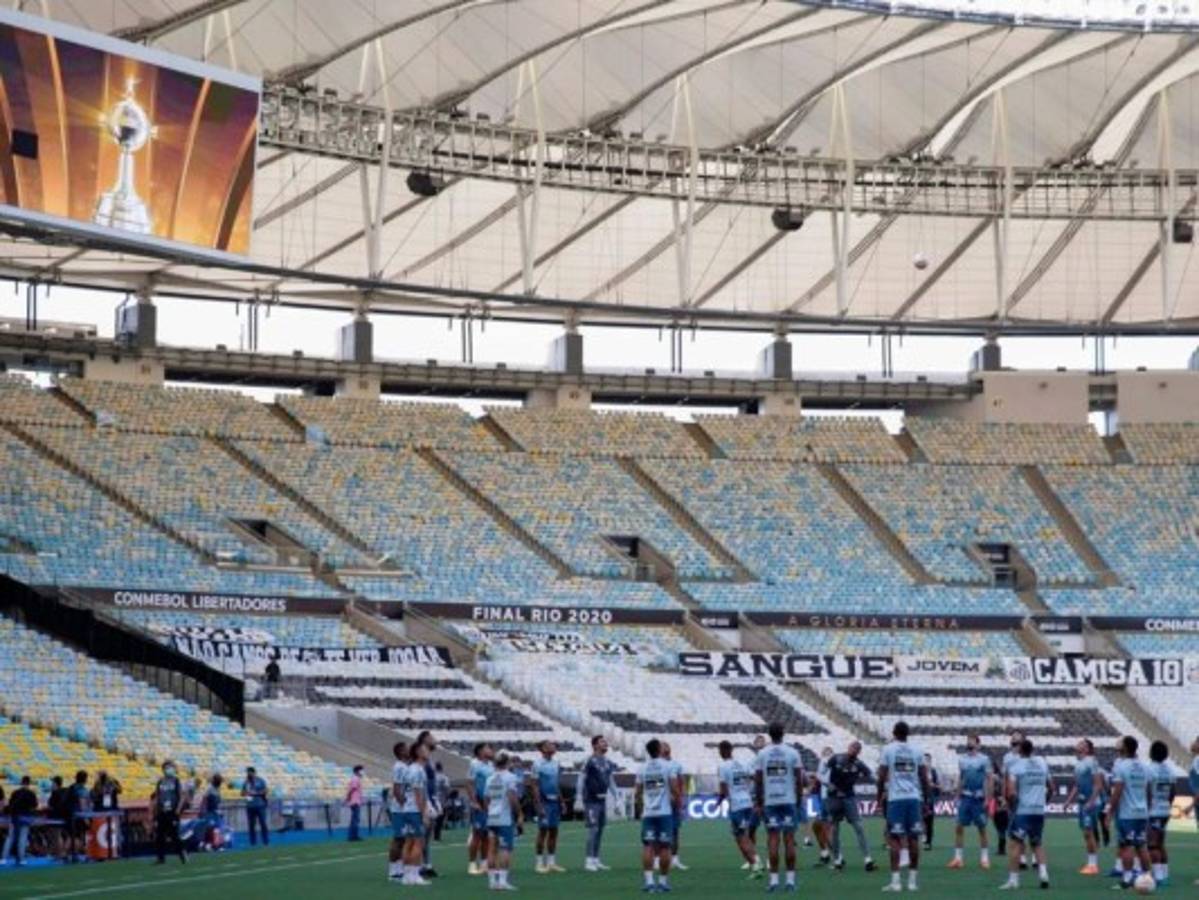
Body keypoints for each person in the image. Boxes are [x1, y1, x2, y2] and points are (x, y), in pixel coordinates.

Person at [878, 720, 928, 893]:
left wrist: (879, 798)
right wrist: (927, 801)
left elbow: (881, 776)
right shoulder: (917, 750)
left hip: (896, 800)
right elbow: (924, 778)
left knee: (894, 840)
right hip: (914, 799)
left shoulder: (888, 749)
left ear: (893, 733)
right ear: (908, 734)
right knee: (914, 839)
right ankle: (912, 882)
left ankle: (896, 882)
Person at [754, 721, 803, 893]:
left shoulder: (762, 754)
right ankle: (790, 881)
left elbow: (758, 781)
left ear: (769, 734)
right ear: (783, 733)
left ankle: (774, 881)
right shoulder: (792, 752)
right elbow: (799, 779)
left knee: (773, 840)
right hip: (788, 801)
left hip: (770, 802)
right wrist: (799, 800)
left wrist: (758, 802)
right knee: (789, 840)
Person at [999, 737, 1051, 890]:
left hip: (1023, 811)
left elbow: (1012, 792)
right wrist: (1044, 802)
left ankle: (1013, 880)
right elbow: (1052, 788)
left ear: (1020, 750)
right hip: (1038, 811)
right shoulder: (1042, 763)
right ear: (1032, 749)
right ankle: (1043, 874)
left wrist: (1010, 806)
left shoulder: (1016, 766)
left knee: (1015, 844)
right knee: (1037, 843)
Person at [1106, 734, 1154, 892]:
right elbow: (1148, 791)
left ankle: (1126, 880)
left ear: (1125, 748)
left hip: (1128, 814)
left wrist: (1109, 811)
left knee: (1126, 846)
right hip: (1142, 813)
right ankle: (1147, 878)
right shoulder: (1144, 766)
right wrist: (1147, 808)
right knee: (1142, 846)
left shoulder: (1121, 766)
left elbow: (1117, 791)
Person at [821, 740, 874, 872]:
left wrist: (869, 781)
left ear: (859, 752)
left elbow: (870, 775)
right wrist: (827, 784)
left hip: (849, 797)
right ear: (848, 747)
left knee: (858, 826)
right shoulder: (835, 758)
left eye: (857, 749)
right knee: (834, 829)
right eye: (853, 747)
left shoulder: (858, 764)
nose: (854, 750)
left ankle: (867, 859)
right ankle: (837, 859)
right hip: (833, 797)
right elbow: (821, 774)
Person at [637, 738, 680, 894]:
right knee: (665, 847)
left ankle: (649, 882)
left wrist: (641, 807)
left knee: (648, 846)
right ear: (659, 749)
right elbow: (675, 789)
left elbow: (637, 791)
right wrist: (677, 802)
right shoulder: (668, 766)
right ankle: (662, 882)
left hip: (648, 813)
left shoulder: (642, 768)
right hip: (664, 813)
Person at [716, 739, 762, 876]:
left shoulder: (723, 767)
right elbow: (755, 778)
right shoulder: (743, 763)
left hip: (736, 806)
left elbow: (723, 790)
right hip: (748, 802)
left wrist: (718, 802)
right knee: (744, 835)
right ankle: (755, 862)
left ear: (722, 751)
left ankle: (755, 864)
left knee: (741, 837)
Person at [1061, 738, 1103, 875]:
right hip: (1082, 803)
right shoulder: (1079, 764)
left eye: (1082, 743)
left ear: (1087, 749)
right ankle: (1091, 863)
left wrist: (1091, 801)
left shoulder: (1092, 761)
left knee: (1088, 832)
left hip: (1090, 803)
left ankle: (1093, 865)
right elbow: (1077, 785)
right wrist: (1068, 801)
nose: (1078, 744)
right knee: (1087, 833)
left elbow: (1098, 784)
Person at [485, 751, 522, 892]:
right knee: (505, 849)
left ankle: (492, 882)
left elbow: (486, 798)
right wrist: (519, 813)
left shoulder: (490, 778)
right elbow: (512, 797)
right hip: (504, 817)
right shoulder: (510, 777)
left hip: (491, 816)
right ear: (507, 763)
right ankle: (502, 881)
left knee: (491, 849)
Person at [398, 742, 431, 886]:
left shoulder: (409, 769)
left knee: (408, 841)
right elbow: (419, 794)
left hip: (407, 808)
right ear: (418, 752)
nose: (427, 751)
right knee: (418, 842)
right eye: (425, 749)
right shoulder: (418, 770)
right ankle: (415, 875)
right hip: (415, 810)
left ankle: (407, 875)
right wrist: (424, 813)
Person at [582, 734, 615, 872]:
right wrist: (578, 797)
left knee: (600, 830)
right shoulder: (589, 760)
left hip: (602, 800)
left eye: (605, 742)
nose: (605, 744)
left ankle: (596, 859)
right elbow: (581, 778)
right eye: (602, 742)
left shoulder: (607, 762)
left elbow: (611, 780)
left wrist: (617, 796)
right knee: (593, 830)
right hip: (591, 800)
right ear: (595, 745)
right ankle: (588, 860)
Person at [532, 740, 565, 874]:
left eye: (554, 744)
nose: (553, 746)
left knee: (554, 831)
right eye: (550, 745)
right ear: (543, 749)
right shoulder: (537, 764)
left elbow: (556, 784)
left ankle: (551, 862)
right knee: (543, 831)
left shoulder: (556, 763)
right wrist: (539, 805)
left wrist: (562, 801)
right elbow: (534, 785)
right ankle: (539, 863)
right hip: (544, 802)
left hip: (555, 802)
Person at [1146, 740, 1173, 887]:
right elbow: (1173, 791)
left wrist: (1148, 807)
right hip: (1165, 810)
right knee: (1161, 843)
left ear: (1151, 752)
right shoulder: (1169, 770)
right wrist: (1166, 803)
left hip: (1154, 811)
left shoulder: (1150, 769)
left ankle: (1159, 877)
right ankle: (1165, 873)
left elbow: (1148, 791)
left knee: (1152, 845)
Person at [998, 731, 1026, 868]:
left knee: (1028, 827)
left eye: (1017, 742)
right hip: (1012, 797)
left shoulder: (1027, 757)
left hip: (1026, 796)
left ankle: (1032, 858)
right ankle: (1022, 857)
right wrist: (1003, 796)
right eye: (1013, 741)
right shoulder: (1007, 757)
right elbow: (1004, 778)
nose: (1015, 744)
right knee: (1016, 827)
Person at [414, 731, 439, 878]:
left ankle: (426, 864)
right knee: (422, 834)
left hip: (431, 798)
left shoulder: (428, 758)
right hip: (425, 798)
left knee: (428, 834)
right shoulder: (420, 761)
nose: (434, 740)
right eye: (431, 738)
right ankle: (416, 866)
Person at [467, 743, 494, 876]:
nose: (490, 750)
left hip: (490, 804)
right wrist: (474, 801)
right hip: (479, 804)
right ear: (480, 751)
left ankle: (484, 864)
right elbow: (470, 783)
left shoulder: (491, 765)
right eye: (488, 748)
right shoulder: (474, 764)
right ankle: (472, 864)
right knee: (477, 834)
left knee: (486, 836)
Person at [152, 760, 186, 865]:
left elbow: (181, 796)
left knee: (174, 835)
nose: (169, 769)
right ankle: (160, 858)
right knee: (159, 836)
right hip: (162, 812)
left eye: (170, 767)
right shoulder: (160, 782)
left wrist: (177, 810)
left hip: (172, 811)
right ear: (163, 769)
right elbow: (157, 797)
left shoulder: (176, 781)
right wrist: (155, 811)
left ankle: (181, 854)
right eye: (167, 767)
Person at [661, 741, 687, 871]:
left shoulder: (676, 765)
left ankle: (675, 859)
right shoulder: (658, 765)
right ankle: (658, 858)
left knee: (675, 831)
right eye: (662, 746)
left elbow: (682, 782)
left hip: (674, 803)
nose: (664, 748)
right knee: (661, 832)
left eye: (666, 746)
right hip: (662, 804)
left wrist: (681, 798)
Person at [2, 776, 38, 866]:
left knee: (10, 837)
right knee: (23, 838)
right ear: (29, 783)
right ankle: (21, 859)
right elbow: (35, 806)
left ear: (21, 782)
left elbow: (10, 804)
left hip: (15, 817)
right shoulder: (31, 793)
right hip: (26, 817)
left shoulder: (15, 792)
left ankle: (3, 858)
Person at [387, 740, 409, 883]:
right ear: (401, 752)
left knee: (403, 839)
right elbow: (396, 789)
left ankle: (399, 868)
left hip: (403, 808)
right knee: (398, 838)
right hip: (399, 809)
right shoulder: (399, 767)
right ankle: (393, 871)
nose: (409, 750)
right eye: (406, 749)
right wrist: (404, 805)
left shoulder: (405, 766)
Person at [809, 746, 832, 866]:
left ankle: (837, 857)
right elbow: (816, 785)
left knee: (827, 828)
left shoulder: (829, 765)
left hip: (830, 800)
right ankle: (825, 853)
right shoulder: (822, 766)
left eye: (828, 752)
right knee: (817, 826)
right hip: (824, 800)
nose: (826, 754)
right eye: (824, 752)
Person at [241, 766, 269, 847]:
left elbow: (266, 790)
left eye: (249, 772)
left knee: (263, 823)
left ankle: (265, 841)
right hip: (250, 806)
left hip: (260, 805)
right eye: (247, 772)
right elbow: (242, 792)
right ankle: (253, 842)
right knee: (251, 825)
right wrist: (245, 793)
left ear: (253, 773)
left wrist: (256, 793)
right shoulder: (246, 782)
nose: (248, 774)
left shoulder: (260, 780)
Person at [66, 770, 90, 861]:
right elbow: (82, 804)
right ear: (85, 779)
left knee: (71, 836)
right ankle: (74, 854)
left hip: (70, 814)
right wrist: (86, 818)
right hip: (78, 816)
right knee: (79, 837)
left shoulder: (72, 787)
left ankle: (66, 854)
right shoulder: (81, 790)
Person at [921, 753, 940, 852]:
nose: (926, 762)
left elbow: (938, 786)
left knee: (929, 822)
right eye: (925, 760)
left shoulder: (933, 772)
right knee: (920, 820)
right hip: (920, 799)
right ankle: (923, 835)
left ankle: (929, 842)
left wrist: (933, 786)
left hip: (930, 799)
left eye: (928, 760)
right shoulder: (919, 771)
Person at [46, 775, 69, 860]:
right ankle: (58, 853)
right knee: (56, 835)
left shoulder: (55, 792)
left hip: (55, 816)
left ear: (56, 783)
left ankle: (60, 854)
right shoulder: (64, 791)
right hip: (62, 816)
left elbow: (51, 805)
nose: (51, 784)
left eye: (52, 783)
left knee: (56, 835)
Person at [200, 774, 224, 851]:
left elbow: (218, 801)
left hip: (216, 811)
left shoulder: (218, 789)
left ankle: (217, 844)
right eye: (218, 780)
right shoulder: (209, 788)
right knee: (210, 827)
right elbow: (204, 799)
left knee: (217, 828)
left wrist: (220, 810)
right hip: (209, 811)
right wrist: (202, 810)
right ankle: (205, 843)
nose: (219, 782)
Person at [345, 765, 364, 842]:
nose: (363, 772)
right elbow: (353, 788)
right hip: (355, 801)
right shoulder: (355, 779)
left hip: (355, 801)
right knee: (355, 819)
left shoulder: (356, 778)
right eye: (361, 770)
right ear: (358, 771)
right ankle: (353, 836)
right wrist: (348, 797)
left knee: (355, 819)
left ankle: (353, 835)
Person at [433, 763, 450, 843]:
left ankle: (431, 835)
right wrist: (446, 798)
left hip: (432, 800)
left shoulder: (431, 777)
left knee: (432, 818)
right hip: (441, 801)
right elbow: (447, 789)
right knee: (440, 819)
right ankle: (437, 836)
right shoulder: (444, 777)